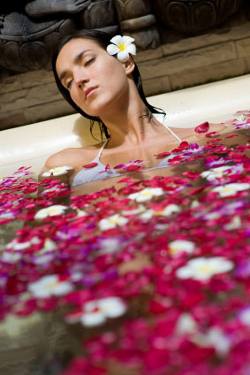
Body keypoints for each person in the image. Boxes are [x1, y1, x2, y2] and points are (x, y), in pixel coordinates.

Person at [44, 29, 228, 190]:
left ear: (126, 63)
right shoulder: (64, 165)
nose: (78, 80)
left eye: (89, 61)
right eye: (68, 82)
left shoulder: (211, 137)